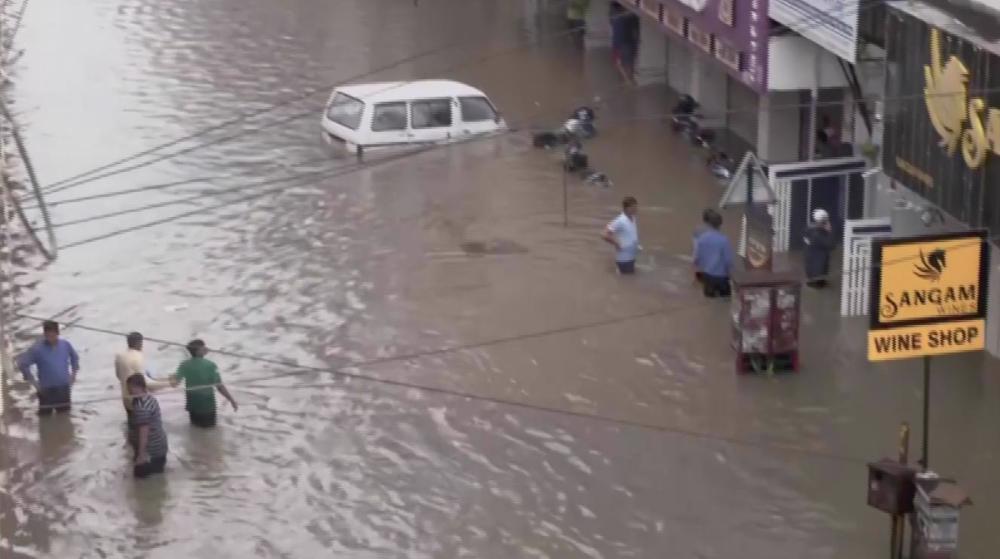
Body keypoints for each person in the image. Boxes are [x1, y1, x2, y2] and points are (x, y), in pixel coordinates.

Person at [170, 339, 237, 427]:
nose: (206, 348)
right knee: (209, 431)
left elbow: (174, 383)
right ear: (198, 351)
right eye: (203, 347)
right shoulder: (211, 365)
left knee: (195, 428)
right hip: (207, 406)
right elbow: (219, 386)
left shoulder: (184, 365)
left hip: (192, 405)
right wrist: (231, 400)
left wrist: (170, 377)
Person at [18, 321, 80, 414]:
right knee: (45, 418)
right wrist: (35, 384)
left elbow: (74, 358)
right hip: (46, 391)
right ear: (44, 335)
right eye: (47, 336)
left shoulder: (65, 345)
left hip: (64, 388)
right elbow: (23, 364)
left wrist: (73, 375)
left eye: (53, 336)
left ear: (57, 333)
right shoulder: (37, 349)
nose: (50, 339)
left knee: (65, 417)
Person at [115, 332, 169, 421]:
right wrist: (169, 384)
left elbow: (118, 375)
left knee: (132, 425)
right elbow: (146, 384)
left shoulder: (119, 356)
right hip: (139, 403)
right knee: (144, 427)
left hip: (126, 400)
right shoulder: (138, 357)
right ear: (139, 343)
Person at [127, 374, 168, 479]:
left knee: (140, 481)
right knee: (157, 477)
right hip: (160, 448)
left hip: (151, 451)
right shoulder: (150, 398)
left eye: (129, 388)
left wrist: (141, 455)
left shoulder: (142, 406)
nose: (128, 391)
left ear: (137, 387)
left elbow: (144, 431)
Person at [693, 209, 734, 298]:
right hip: (722, 277)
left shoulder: (701, 239)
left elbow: (696, 259)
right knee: (725, 302)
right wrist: (730, 274)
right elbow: (728, 261)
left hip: (707, 277)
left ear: (708, 224)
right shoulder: (724, 240)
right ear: (720, 224)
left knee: (709, 302)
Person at [603, 196, 640, 274]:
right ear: (627, 208)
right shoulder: (620, 220)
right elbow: (605, 235)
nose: (636, 209)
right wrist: (616, 244)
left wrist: (636, 245)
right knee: (629, 282)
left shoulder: (633, 218)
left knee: (629, 280)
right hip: (624, 259)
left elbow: (631, 234)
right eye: (634, 207)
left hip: (631, 256)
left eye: (636, 207)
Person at [609, 2, 639, 85]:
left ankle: (627, 80)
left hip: (620, 44)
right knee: (628, 63)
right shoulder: (630, 16)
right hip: (626, 44)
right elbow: (635, 32)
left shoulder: (615, 18)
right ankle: (629, 80)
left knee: (622, 63)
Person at [804, 208, 835, 288]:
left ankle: (812, 282)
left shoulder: (810, 227)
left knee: (812, 271)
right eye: (826, 221)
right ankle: (817, 284)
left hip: (811, 257)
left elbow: (805, 238)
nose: (827, 223)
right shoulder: (819, 234)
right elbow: (831, 245)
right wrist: (829, 232)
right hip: (819, 262)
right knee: (819, 276)